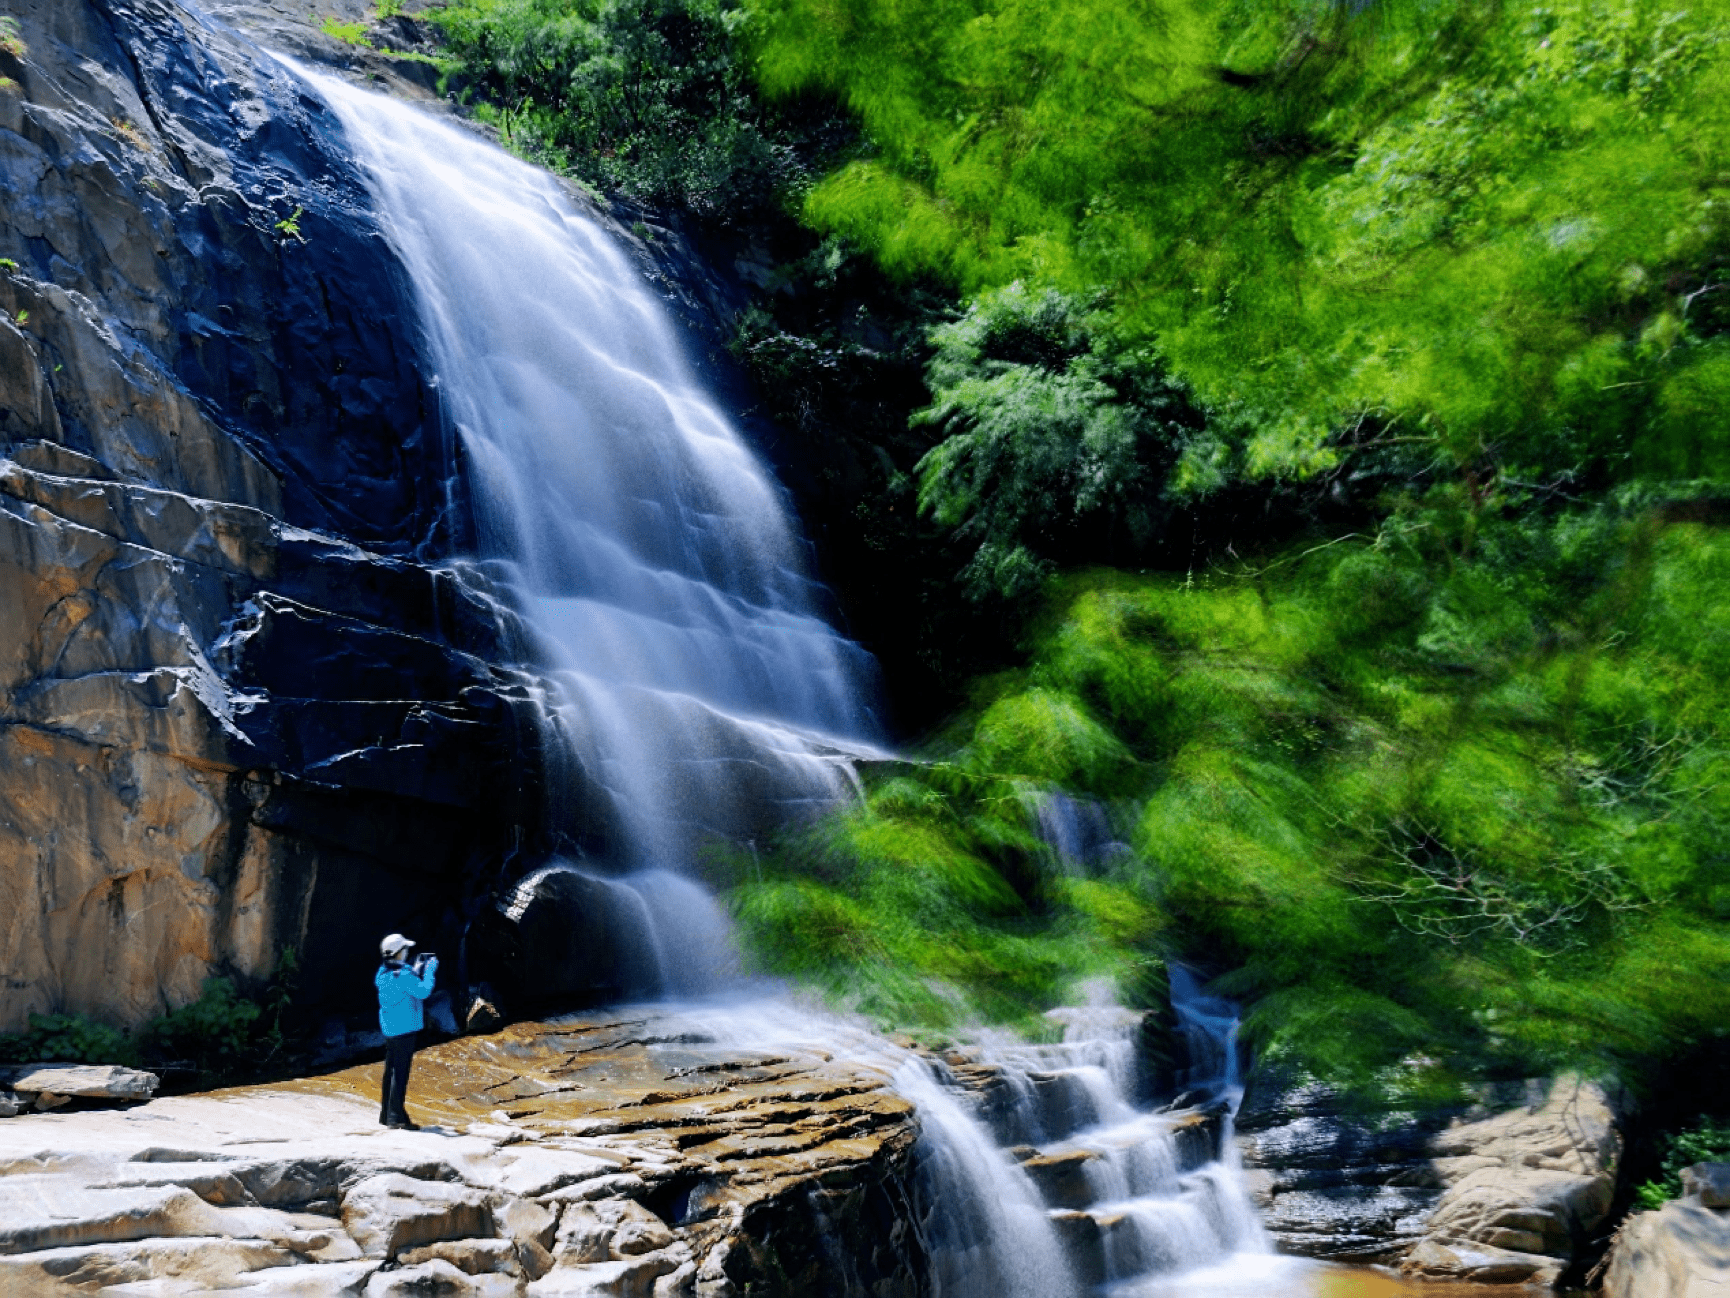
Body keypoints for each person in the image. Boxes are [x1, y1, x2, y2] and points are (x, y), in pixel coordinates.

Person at [375, 933, 438, 1130]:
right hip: (405, 1030)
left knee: (391, 1072)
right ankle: (396, 1118)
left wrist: (413, 969)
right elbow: (423, 991)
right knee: (400, 1074)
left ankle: (386, 1115)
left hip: (390, 1030)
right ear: (399, 953)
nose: (408, 952)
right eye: (405, 950)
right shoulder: (403, 976)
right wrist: (429, 971)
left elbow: (402, 980)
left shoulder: (382, 973)